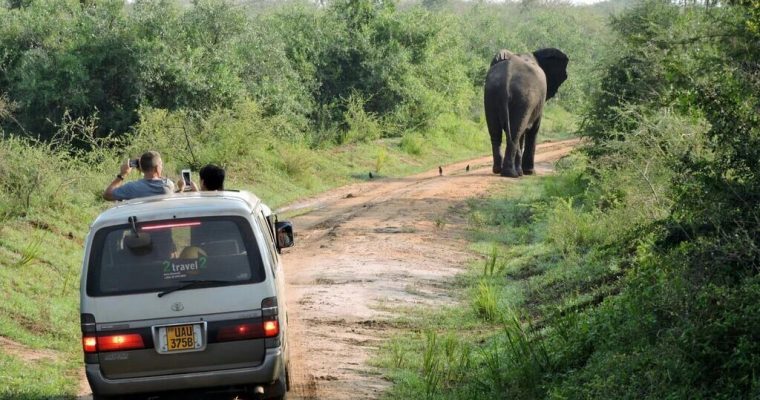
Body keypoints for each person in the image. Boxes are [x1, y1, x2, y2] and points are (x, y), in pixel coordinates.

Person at [103, 151, 175, 201]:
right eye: (161, 165)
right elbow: (158, 178)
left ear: (142, 168)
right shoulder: (168, 185)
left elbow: (107, 195)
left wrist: (122, 174)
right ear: (157, 168)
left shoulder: (131, 188)